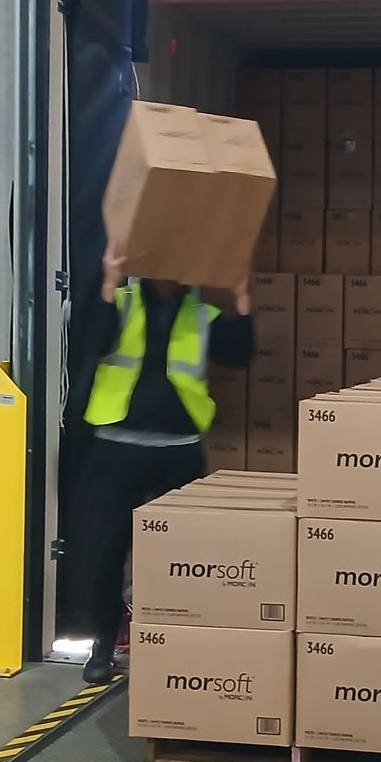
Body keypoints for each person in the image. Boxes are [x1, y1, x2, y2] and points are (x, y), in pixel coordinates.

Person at [68, 238, 253, 684]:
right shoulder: (122, 304)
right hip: (117, 448)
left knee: (182, 559)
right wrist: (110, 281)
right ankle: (103, 645)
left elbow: (240, 354)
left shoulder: (201, 314)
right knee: (105, 554)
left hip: (179, 451)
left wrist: (243, 296)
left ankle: (175, 645)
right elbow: (87, 341)